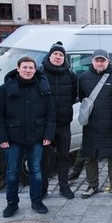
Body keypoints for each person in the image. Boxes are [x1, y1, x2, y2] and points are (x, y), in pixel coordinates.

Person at [0, 56, 56, 217]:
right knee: (12, 172)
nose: (28, 71)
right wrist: (2, 138)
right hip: (13, 138)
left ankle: (36, 200)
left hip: (37, 136)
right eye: (25, 67)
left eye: (31, 68)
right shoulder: (5, 89)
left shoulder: (43, 86)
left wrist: (48, 134)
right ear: (18, 68)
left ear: (35, 70)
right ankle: (12, 203)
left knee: (36, 170)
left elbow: (51, 113)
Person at [78, 49, 112, 199]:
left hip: (110, 125)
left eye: (102, 60)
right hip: (90, 125)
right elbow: (82, 98)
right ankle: (92, 185)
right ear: (92, 61)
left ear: (108, 61)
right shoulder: (84, 78)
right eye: (97, 60)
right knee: (90, 156)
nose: (99, 63)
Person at [38, 41, 78, 200]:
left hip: (63, 124)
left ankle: (64, 186)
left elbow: (74, 96)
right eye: (55, 54)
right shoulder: (39, 74)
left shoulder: (71, 74)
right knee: (45, 158)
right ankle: (42, 188)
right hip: (45, 126)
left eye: (61, 55)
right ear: (50, 56)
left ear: (64, 58)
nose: (58, 57)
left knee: (64, 156)